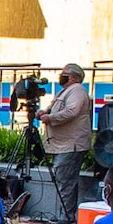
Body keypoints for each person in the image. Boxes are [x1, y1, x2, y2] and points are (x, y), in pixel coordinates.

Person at [43, 63, 94, 215]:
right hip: (63, 144)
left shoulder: (77, 90)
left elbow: (72, 111)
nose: (61, 75)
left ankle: (66, 217)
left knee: (65, 180)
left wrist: (50, 118)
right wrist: (44, 113)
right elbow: (54, 109)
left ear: (73, 77)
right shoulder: (66, 91)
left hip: (71, 144)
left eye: (64, 73)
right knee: (63, 179)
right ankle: (64, 215)